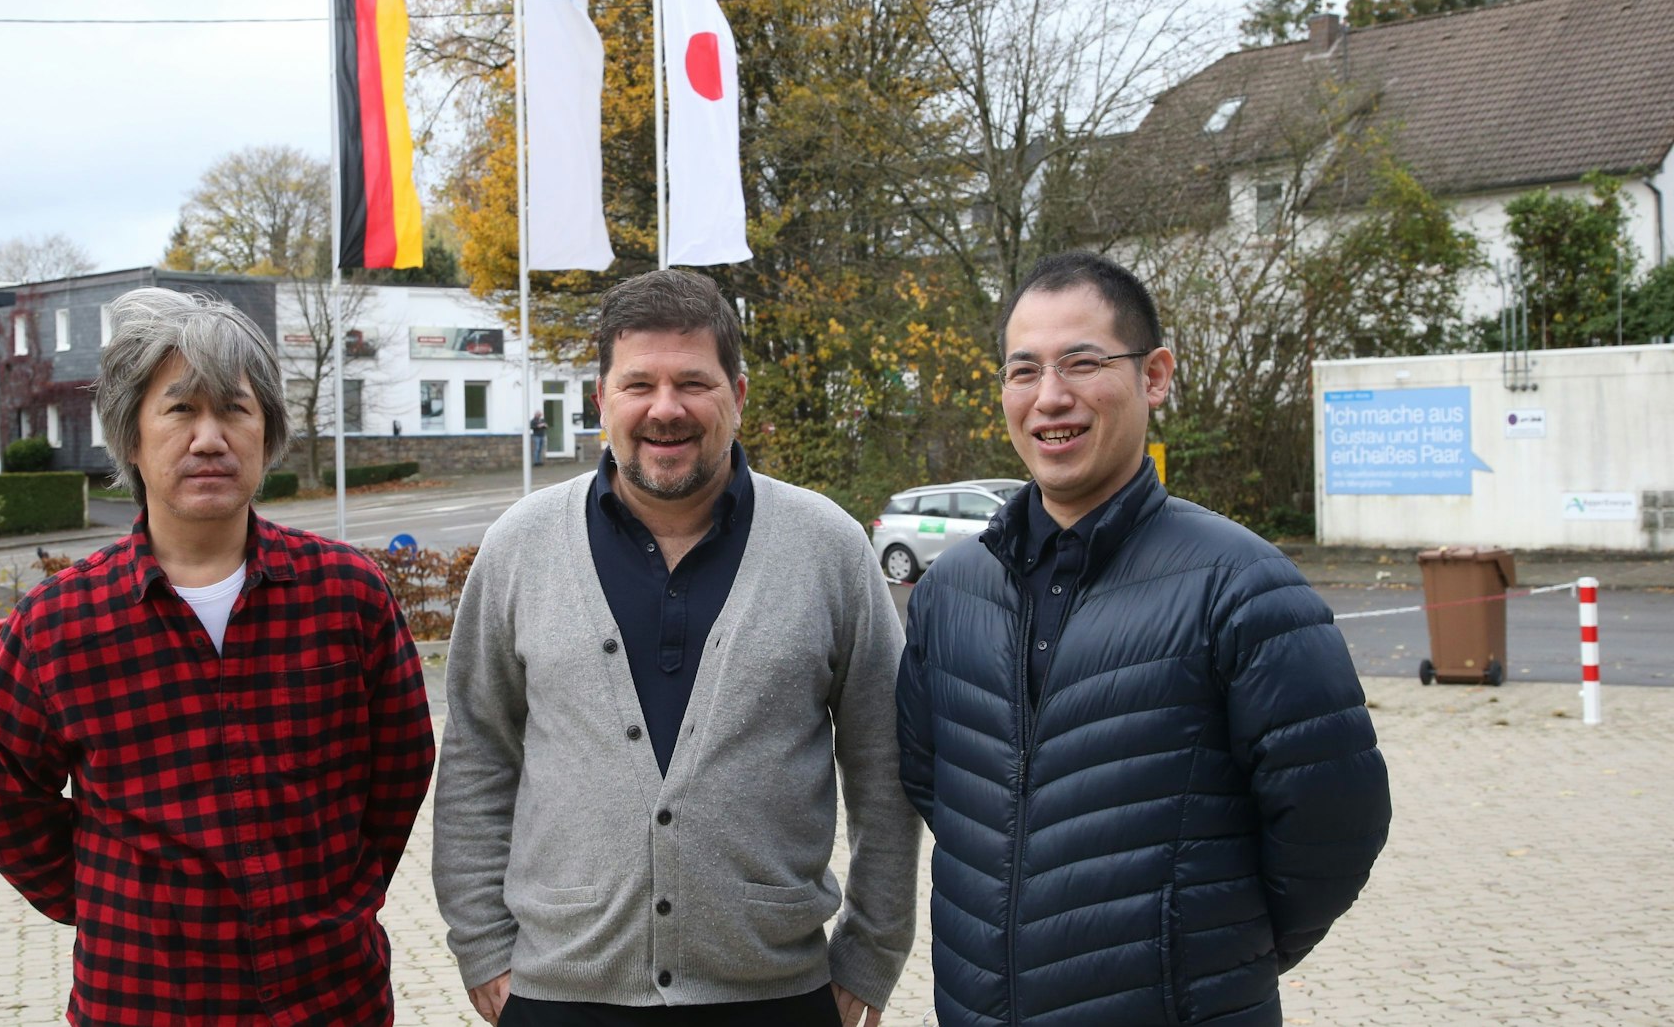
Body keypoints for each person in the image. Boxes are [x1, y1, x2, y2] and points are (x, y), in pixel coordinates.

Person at [894, 251, 1391, 1027]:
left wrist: (1205, 948)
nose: (1049, 397)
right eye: (1023, 371)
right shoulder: (953, 590)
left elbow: (1337, 823)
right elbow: (938, 785)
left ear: (1153, 376)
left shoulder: (1243, 586)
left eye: (1082, 363)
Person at [433, 269, 919, 1027]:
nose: (666, 409)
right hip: (560, 996)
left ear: (739, 396)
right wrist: (483, 945)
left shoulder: (827, 548)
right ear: (601, 400)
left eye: (694, 381)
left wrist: (870, 955)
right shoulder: (520, 548)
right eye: (639, 385)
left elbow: (885, 765)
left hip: (777, 995)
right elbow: (475, 754)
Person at [0, 287, 436, 1026]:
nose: (208, 437)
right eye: (180, 409)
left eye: (234, 410)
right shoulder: (59, 625)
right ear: (130, 435)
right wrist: (105, 895)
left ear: (266, 430)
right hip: (142, 1001)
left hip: (331, 997)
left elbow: (400, 770)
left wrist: (341, 893)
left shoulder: (347, 595)